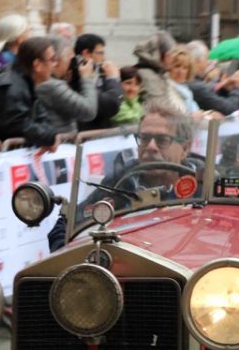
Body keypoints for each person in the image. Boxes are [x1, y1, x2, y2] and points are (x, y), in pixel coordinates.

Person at [47, 104, 197, 250]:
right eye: (144, 138)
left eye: (162, 140)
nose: (151, 147)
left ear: (185, 148)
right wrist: (71, 258)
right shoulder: (121, 182)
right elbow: (66, 225)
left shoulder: (205, 186)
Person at [0, 36, 60, 146]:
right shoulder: (13, 86)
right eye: (52, 60)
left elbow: (41, 116)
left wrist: (50, 135)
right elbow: (17, 124)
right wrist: (49, 138)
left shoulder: (27, 82)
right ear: (37, 64)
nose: (55, 64)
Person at [35, 35, 99, 135]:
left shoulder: (50, 81)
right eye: (71, 59)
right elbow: (88, 111)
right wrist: (87, 78)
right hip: (59, 145)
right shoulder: (51, 85)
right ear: (59, 59)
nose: (73, 64)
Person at [68, 32, 122, 131]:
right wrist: (113, 78)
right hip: (86, 136)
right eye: (100, 53)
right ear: (86, 54)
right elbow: (111, 105)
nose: (103, 58)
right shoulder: (76, 76)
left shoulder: (98, 72)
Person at [133, 30, 186, 112]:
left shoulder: (157, 74)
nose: (173, 58)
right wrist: (190, 118)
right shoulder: (149, 77)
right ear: (160, 55)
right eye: (171, 54)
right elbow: (161, 110)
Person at [165, 46, 201, 113]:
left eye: (185, 68)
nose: (181, 71)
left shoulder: (184, 88)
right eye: (177, 66)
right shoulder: (165, 87)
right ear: (169, 67)